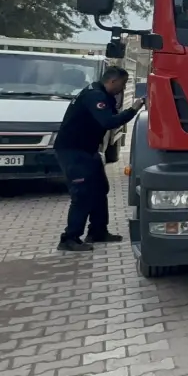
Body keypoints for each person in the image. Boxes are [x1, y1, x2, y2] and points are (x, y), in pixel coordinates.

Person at [54, 66, 145, 252]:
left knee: (100, 188)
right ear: (112, 81)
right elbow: (108, 122)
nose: (123, 87)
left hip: (88, 149)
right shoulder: (95, 96)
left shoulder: (101, 93)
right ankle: (69, 238)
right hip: (73, 151)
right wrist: (133, 109)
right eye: (123, 83)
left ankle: (98, 231)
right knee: (82, 194)